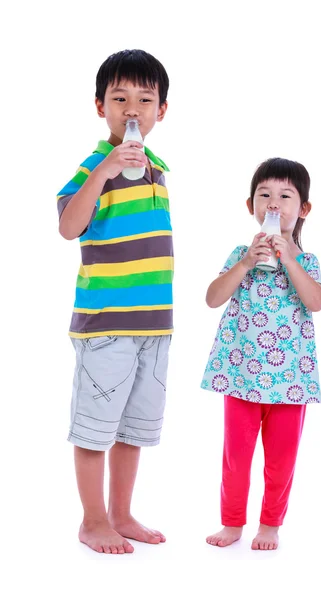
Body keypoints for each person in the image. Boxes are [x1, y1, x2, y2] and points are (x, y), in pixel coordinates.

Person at [57, 49, 172, 554]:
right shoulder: (91, 167)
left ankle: (122, 513)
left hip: (155, 325)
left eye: (144, 100)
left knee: (132, 430)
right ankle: (92, 520)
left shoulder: (159, 168)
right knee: (94, 430)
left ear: (161, 111)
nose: (132, 110)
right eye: (119, 98)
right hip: (106, 325)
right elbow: (67, 227)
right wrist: (102, 170)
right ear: (100, 106)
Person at [201, 157, 321, 550]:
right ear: (250, 206)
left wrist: (288, 258)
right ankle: (232, 522)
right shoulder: (242, 254)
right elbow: (212, 298)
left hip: (290, 381)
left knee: (281, 459)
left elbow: (316, 301)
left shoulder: (306, 262)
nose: (274, 204)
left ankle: (270, 524)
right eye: (265, 195)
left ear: (302, 209)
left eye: (285, 196)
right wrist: (244, 262)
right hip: (240, 376)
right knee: (235, 457)